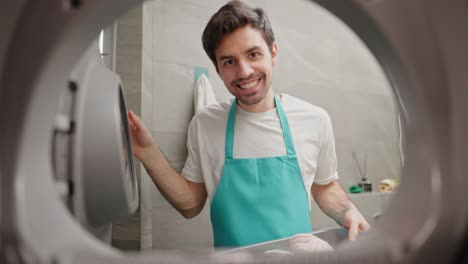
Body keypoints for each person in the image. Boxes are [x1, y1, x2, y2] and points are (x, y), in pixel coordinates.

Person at [128, 0, 370, 248]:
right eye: (229, 61)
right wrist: (148, 153)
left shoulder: (315, 120)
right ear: (218, 69)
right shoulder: (205, 124)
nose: (244, 72)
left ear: (273, 52)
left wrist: (347, 211)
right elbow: (190, 205)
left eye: (253, 54)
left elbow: (325, 186)